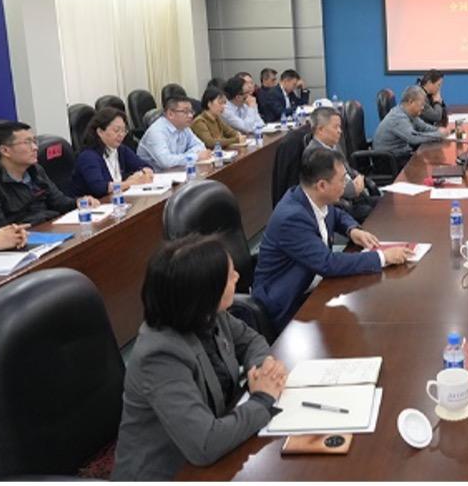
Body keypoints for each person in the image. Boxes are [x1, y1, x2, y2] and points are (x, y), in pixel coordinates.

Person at [112, 234, 288, 480]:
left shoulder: (209, 314)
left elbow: (251, 341)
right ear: (206, 293)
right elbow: (205, 444)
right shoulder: (160, 356)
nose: (238, 277)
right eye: (229, 275)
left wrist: (263, 369)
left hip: (219, 446)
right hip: (171, 473)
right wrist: (262, 399)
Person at [252, 148, 410, 330]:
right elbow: (328, 263)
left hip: (314, 284)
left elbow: (336, 214)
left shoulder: (311, 198)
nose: (346, 184)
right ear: (322, 185)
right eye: (342, 180)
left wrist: (352, 230)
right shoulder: (291, 218)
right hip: (289, 303)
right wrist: (382, 257)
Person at [0, 121, 96, 229]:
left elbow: (60, 203)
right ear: (5, 150)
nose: (35, 147)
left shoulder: (35, 171)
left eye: (34, 141)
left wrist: (79, 202)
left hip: (48, 229)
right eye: (27, 143)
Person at [304, 106, 377, 222]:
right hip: (345, 204)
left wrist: (359, 178)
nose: (340, 131)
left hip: (358, 196)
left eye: (340, 127)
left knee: (388, 204)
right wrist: (355, 187)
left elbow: (348, 168)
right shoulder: (316, 155)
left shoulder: (333, 145)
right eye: (335, 127)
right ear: (320, 129)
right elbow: (343, 190)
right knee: (382, 214)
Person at [70, 108, 154, 198]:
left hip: (117, 198)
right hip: (96, 203)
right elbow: (100, 187)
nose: (121, 135)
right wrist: (131, 182)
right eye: (116, 130)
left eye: (124, 131)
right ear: (100, 132)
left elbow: (146, 166)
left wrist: (142, 173)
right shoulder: (88, 157)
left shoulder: (121, 150)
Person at [372, 85, 450, 168]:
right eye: (421, 104)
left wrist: (438, 130)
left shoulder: (409, 113)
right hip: (388, 161)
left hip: (399, 155)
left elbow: (423, 127)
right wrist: (439, 135)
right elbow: (413, 138)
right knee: (429, 164)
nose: (423, 108)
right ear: (411, 102)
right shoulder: (398, 117)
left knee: (430, 161)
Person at [137, 97, 210, 170]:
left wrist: (186, 157)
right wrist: (195, 157)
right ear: (170, 114)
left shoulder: (184, 128)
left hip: (177, 171)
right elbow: (166, 162)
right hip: (155, 174)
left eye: (191, 112)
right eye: (185, 112)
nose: (191, 116)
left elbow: (200, 146)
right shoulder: (156, 132)